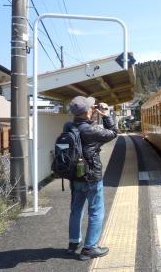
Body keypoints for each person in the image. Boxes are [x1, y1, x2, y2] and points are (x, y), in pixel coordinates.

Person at [65, 96, 118, 260]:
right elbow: (113, 133)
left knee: (76, 209)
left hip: (75, 175)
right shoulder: (92, 130)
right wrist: (105, 114)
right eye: (90, 107)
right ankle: (90, 248)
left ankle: (74, 243)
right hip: (91, 175)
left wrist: (91, 113)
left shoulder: (68, 126)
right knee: (95, 211)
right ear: (88, 112)